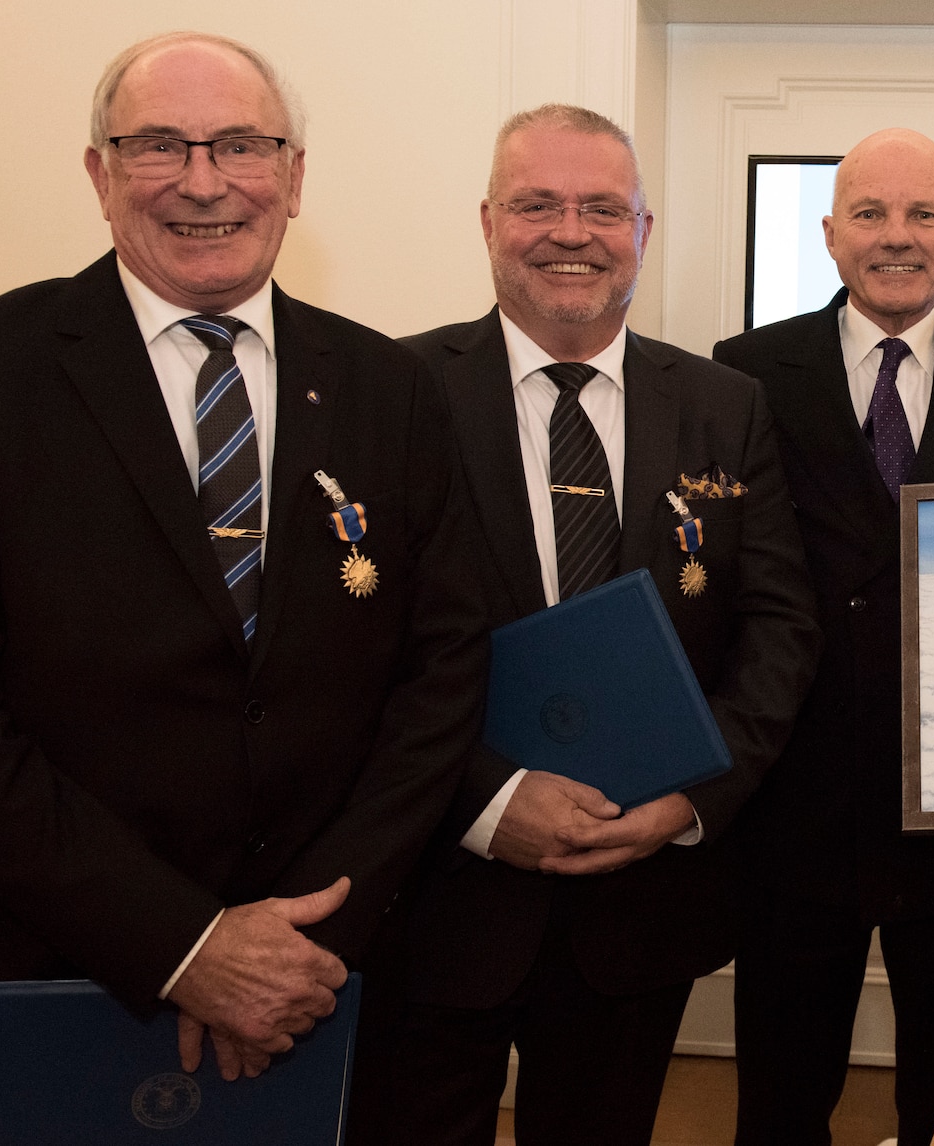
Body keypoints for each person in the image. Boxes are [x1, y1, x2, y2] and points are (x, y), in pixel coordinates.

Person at [0, 31, 489, 1141]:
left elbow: (440, 678)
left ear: (296, 175)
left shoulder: (391, 387)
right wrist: (185, 945)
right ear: (99, 174)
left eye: (241, 145)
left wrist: (301, 942)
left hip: (328, 984)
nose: (204, 180)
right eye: (158, 145)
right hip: (60, 976)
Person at [345, 104, 820, 1146]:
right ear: (486, 222)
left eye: (603, 208)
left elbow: (779, 630)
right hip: (436, 888)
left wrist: (690, 799)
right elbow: (347, 648)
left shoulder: (722, 405)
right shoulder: (389, 391)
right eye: (537, 205)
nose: (571, 232)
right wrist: (485, 801)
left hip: (640, 902)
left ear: (643, 231)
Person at [712, 127, 934, 1145]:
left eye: (921, 215)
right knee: (782, 1086)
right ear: (829, 234)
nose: (895, 238)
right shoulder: (745, 371)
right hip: (795, 797)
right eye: (869, 214)